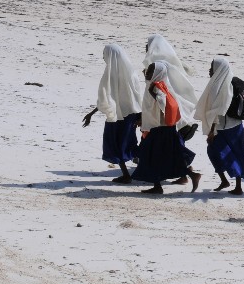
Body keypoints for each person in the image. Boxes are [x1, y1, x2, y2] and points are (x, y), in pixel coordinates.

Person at [131, 61, 201, 194]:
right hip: (158, 128)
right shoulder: (155, 85)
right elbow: (150, 109)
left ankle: (160, 185)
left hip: (160, 130)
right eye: (148, 71)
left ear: (158, 73)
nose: (147, 73)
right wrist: (143, 120)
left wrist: (153, 93)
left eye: (151, 71)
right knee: (162, 157)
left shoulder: (157, 87)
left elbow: (163, 104)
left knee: (151, 156)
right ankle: (188, 175)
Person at [81, 43, 142, 183]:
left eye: (104, 54)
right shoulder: (131, 72)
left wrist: (92, 112)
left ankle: (126, 175)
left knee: (115, 144)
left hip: (117, 117)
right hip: (132, 115)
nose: (103, 57)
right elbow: (137, 96)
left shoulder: (110, 75)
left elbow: (106, 98)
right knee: (130, 143)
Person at [194, 57, 244, 195]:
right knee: (232, 152)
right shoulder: (232, 80)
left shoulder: (221, 84)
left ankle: (235, 185)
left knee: (222, 152)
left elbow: (218, 110)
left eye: (212, 68)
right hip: (236, 125)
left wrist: (212, 130)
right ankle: (227, 181)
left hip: (224, 127)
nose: (209, 70)